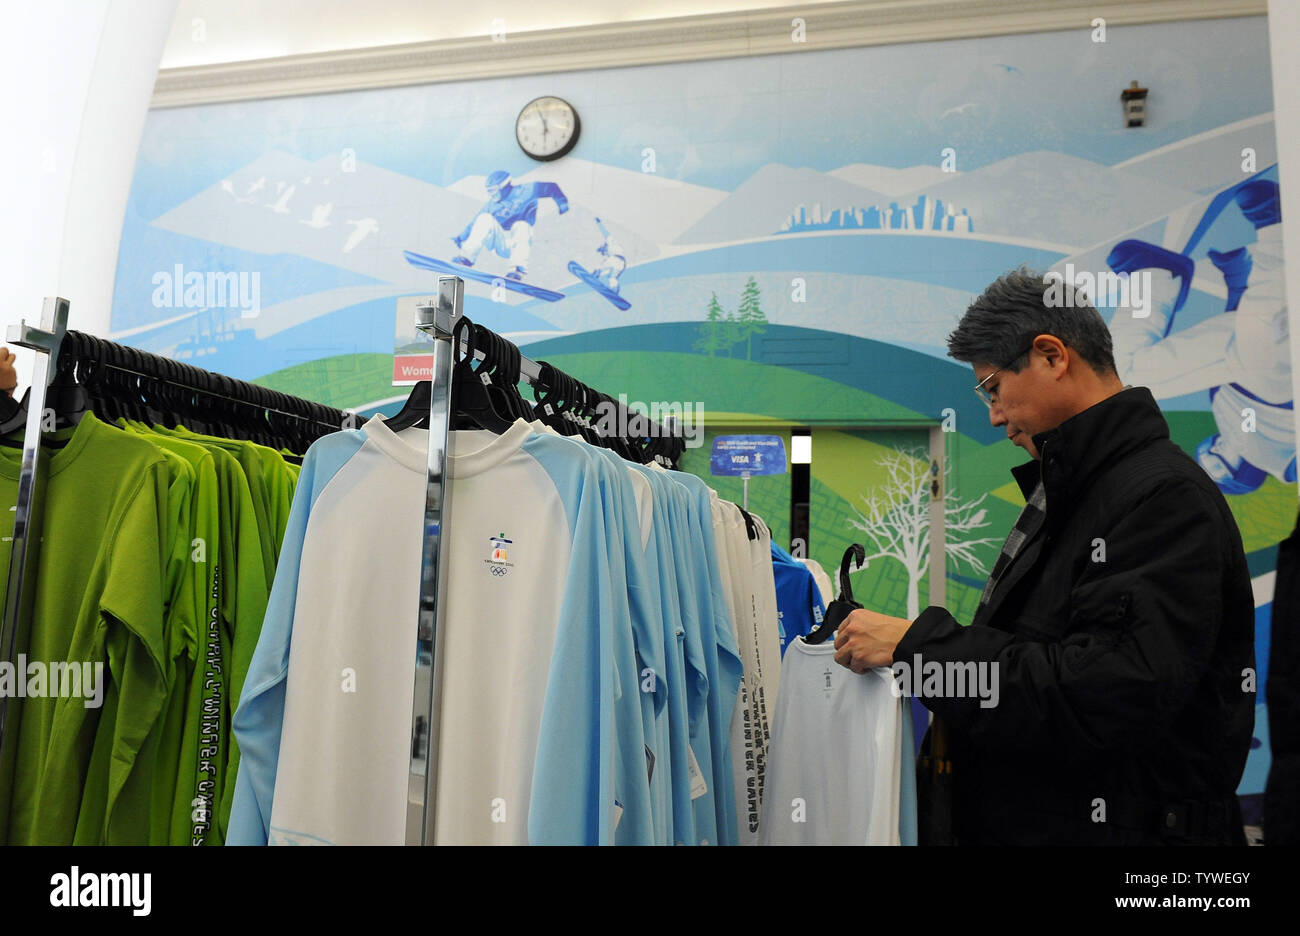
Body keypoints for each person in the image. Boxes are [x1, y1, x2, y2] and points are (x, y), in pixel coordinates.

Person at [832, 267, 1256, 845]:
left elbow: (1102, 695)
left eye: (992, 388)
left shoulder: (1161, 498)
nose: (994, 415)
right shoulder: (1075, 491)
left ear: (1052, 355)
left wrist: (918, 648)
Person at [451, 169, 569, 281]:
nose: (491, 194)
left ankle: (517, 269)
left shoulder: (527, 190)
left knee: (521, 225)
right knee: (484, 218)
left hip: (519, 241)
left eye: (493, 190)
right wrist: (461, 237)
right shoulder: (491, 204)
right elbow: (475, 223)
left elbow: (551, 187)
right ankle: (466, 258)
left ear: (504, 186)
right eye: (488, 191)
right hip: (500, 241)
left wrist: (562, 202)